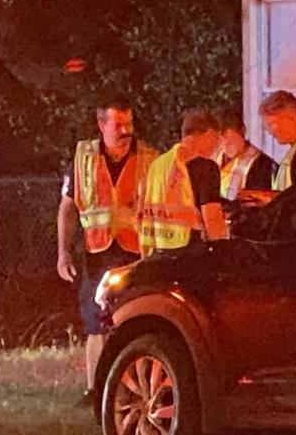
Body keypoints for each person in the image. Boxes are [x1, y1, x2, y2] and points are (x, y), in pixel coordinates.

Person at [57, 98, 156, 400]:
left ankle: (131, 388)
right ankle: (95, 389)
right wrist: (63, 252)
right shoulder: (83, 158)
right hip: (96, 252)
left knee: (132, 320)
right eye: (118, 124)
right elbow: (67, 208)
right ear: (101, 125)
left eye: (129, 123)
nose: (126, 131)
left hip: (135, 254)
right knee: (94, 322)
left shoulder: (150, 157)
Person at [138, 109, 228, 258]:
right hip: (190, 255)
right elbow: (213, 223)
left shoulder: (157, 165)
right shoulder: (206, 168)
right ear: (210, 135)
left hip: (158, 253)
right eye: (216, 140)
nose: (216, 148)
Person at [215, 106, 275, 202]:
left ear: (242, 131)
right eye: (220, 137)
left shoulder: (262, 164)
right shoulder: (214, 159)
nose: (225, 142)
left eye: (228, 135)